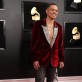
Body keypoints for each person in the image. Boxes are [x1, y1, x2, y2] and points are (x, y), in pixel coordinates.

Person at [32, 3, 64, 82]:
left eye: (56, 10)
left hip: (54, 60)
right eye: (52, 10)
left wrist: (61, 59)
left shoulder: (59, 27)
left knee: (51, 80)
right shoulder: (38, 24)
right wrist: (35, 59)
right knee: (39, 80)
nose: (55, 12)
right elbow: (34, 44)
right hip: (40, 60)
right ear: (47, 11)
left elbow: (60, 45)